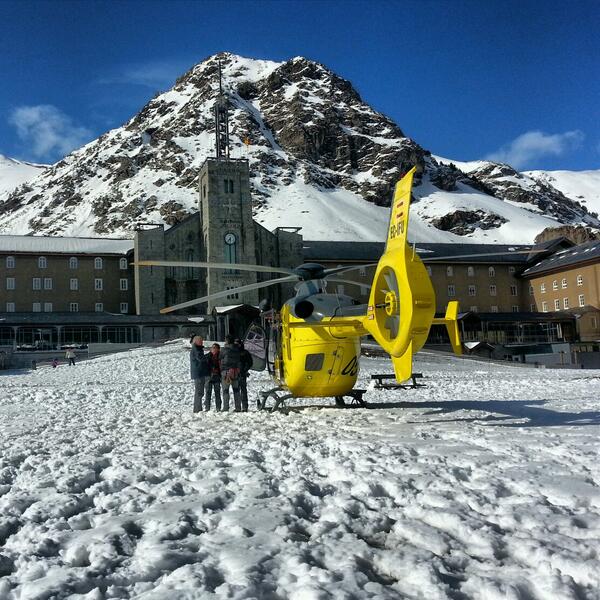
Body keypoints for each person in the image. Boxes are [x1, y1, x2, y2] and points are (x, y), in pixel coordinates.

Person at [220, 334, 242, 412]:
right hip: (235, 371)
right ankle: (238, 407)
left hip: (226, 372)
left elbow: (220, 358)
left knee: (225, 390)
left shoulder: (224, 350)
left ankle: (226, 407)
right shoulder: (237, 349)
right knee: (236, 390)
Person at [190, 335, 210, 413]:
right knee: (199, 392)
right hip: (198, 373)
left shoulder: (198, 348)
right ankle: (197, 409)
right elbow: (201, 358)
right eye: (200, 341)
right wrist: (209, 355)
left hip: (200, 372)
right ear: (196, 341)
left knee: (200, 392)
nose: (202, 342)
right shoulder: (196, 349)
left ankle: (198, 408)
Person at [236, 338, 253, 412]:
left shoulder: (245, 353)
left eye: (238, 344)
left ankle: (244, 407)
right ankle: (238, 406)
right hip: (235, 373)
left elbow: (249, 363)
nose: (237, 345)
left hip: (242, 374)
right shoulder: (233, 352)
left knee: (243, 390)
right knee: (236, 391)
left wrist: (244, 370)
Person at [204, 343, 222, 412]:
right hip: (209, 376)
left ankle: (218, 407)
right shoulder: (207, 356)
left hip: (217, 376)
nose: (214, 349)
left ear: (218, 349)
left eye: (215, 348)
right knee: (208, 392)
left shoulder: (220, 357)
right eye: (212, 347)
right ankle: (207, 407)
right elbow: (204, 365)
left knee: (217, 392)